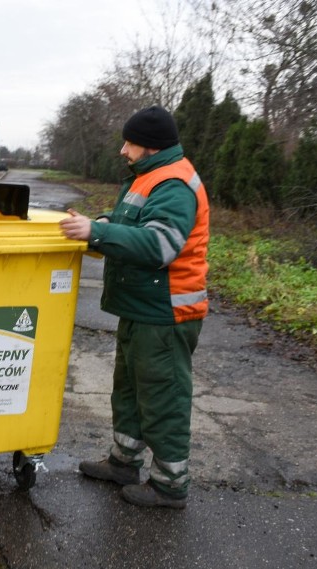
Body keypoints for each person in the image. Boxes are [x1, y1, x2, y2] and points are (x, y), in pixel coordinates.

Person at [59, 105, 210, 509]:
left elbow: (160, 245)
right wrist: (100, 225)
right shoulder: (148, 177)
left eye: (130, 143)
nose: (123, 150)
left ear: (150, 146)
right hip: (141, 308)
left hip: (165, 312)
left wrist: (98, 231)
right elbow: (133, 225)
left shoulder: (174, 183)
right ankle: (124, 462)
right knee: (129, 392)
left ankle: (169, 485)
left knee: (162, 397)